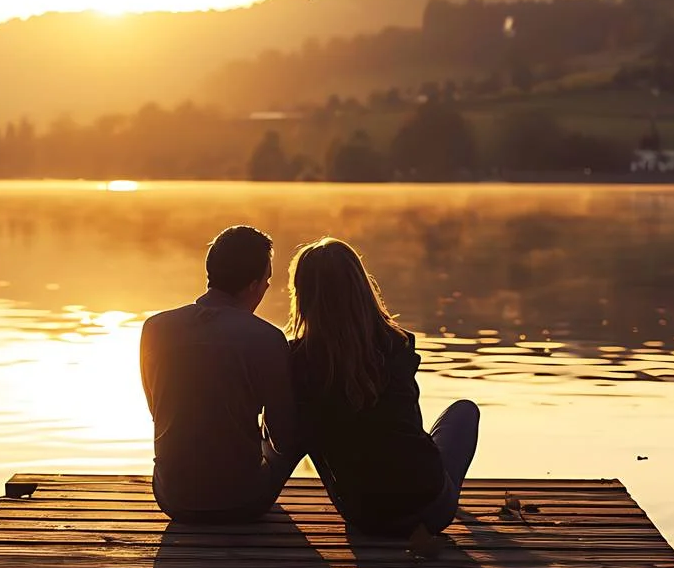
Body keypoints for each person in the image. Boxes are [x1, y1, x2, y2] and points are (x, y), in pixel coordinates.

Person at [285, 237, 479, 538]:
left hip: (363, 516)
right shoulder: (398, 343)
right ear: (362, 287)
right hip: (430, 511)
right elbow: (411, 424)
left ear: (303, 295)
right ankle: (439, 486)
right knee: (464, 412)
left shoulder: (297, 359)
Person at [139, 225, 305, 523]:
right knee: (301, 431)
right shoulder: (266, 338)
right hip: (240, 503)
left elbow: (157, 409)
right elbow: (284, 437)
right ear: (254, 285)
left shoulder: (154, 328)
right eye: (267, 281)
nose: (266, 288)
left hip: (172, 498)